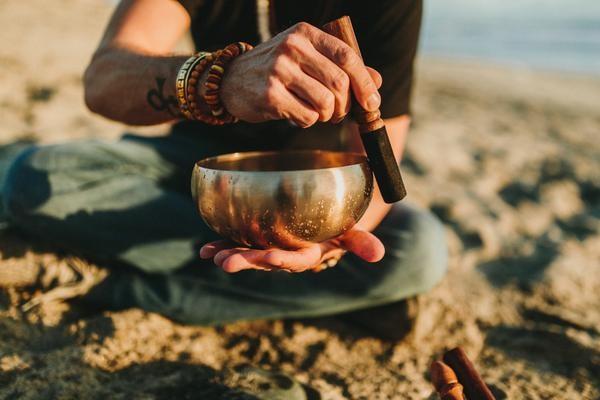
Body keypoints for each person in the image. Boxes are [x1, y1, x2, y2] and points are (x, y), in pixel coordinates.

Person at [0, 0, 446, 338]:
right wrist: (222, 79)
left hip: (321, 191)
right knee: (37, 177)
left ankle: (135, 292)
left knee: (418, 250)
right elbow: (104, 80)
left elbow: (382, 148)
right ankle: (317, 302)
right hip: (199, 174)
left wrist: (334, 242)